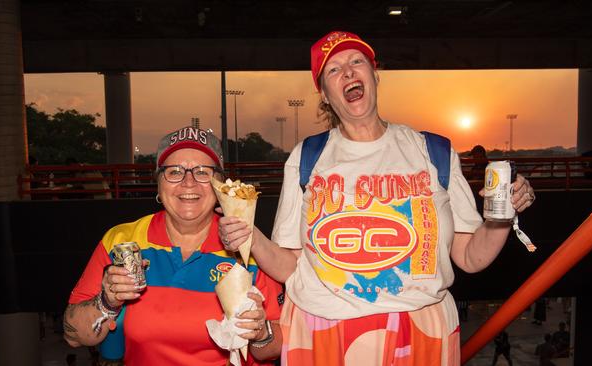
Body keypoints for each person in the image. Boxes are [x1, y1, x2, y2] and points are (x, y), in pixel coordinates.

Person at [218, 30, 536, 365]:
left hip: (422, 329)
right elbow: (290, 264)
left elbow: (471, 258)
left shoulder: (433, 151)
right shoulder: (307, 156)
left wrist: (503, 216)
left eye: (357, 62)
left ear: (375, 74)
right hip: (324, 330)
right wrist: (251, 237)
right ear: (325, 95)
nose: (349, 72)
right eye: (334, 70)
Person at [64, 126, 283, 365]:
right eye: (174, 171)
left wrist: (260, 332)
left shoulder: (247, 246)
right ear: (158, 184)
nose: (188, 183)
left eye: (202, 172)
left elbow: (277, 347)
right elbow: (74, 336)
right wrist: (107, 302)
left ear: (220, 185)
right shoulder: (121, 241)